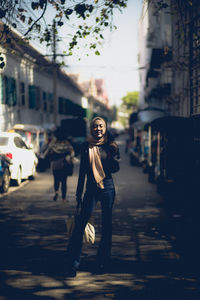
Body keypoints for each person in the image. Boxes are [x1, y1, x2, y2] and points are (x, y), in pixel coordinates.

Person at [66, 116, 120, 277]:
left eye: (101, 126)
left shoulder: (111, 146)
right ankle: (73, 263)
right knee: (80, 224)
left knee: (107, 226)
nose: (98, 129)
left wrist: (112, 157)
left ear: (105, 128)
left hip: (108, 187)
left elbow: (115, 169)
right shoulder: (85, 146)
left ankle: (102, 262)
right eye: (95, 126)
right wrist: (78, 193)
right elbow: (82, 171)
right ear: (91, 128)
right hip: (90, 188)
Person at [44, 126, 74, 202]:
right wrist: (70, 157)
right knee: (64, 182)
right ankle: (64, 198)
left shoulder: (53, 143)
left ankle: (56, 192)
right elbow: (72, 152)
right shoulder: (66, 143)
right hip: (64, 164)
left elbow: (47, 153)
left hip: (55, 165)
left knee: (56, 180)